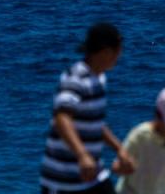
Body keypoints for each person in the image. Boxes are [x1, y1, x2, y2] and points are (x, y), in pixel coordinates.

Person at [40, 23, 135, 194]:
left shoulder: (99, 79)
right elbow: (62, 119)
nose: (119, 57)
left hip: (93, 177)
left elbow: (94, 123)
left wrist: (119, 149)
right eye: (118, 51)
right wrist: (82, 155)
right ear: (106, 51)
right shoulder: (76, 79)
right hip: (63, 181)